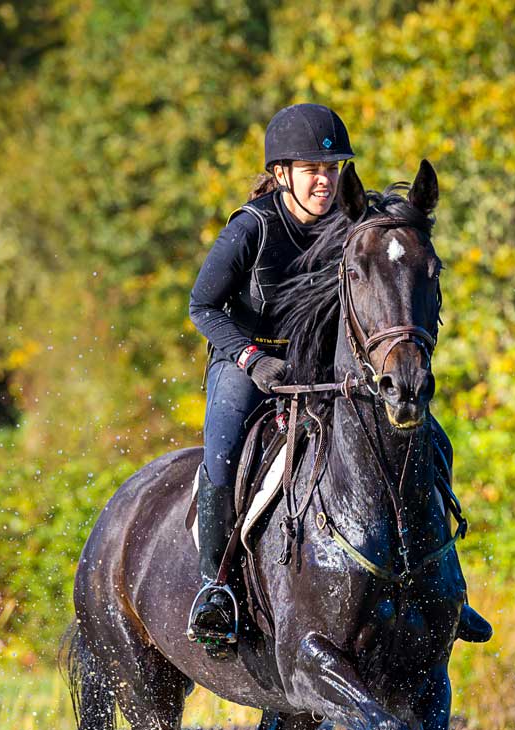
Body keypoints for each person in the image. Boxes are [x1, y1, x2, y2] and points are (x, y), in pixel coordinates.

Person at [187, 103, 491, 653]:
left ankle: (444, 583)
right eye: (312, 171)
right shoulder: (249, 229)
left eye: (331, 170)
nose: (324, 181)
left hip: (323, 370)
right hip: (248, 366)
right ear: (282, 175)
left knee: (430, 440)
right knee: (224, 453)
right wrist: (253, 359)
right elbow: (203, 307)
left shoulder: (351, 225)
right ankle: (216, 588)